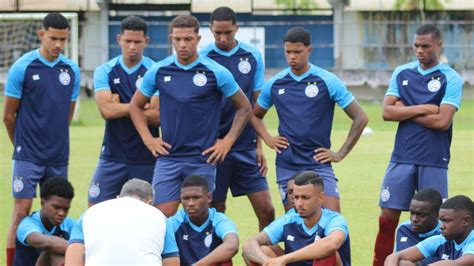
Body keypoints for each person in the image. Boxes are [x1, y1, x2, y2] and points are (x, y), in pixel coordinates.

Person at [130, 15, 251, 217]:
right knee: (159, 219)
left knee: (201, 219)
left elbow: (244, 107)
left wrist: (227, 141)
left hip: (201, 159)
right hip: (169, 158)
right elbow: (135, 106)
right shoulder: (159, 70)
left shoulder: (216, 71)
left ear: (198, 38)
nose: (182, 44)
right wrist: (148, 139)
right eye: (177, 39)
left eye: (188, 39)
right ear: (171, 38)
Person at [373, 24, 463, 265]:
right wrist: (424, 108)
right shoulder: (402, 73)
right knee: (387, 218)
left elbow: (443, 121)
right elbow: (386, 113)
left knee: (439, 220)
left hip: (434, 159)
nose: (420, 51)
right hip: (401, 157)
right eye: (416, 46)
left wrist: (404, 110)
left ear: (439, 45)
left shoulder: (450, 78)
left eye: (426, 46)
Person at [251, 27, 368, 213]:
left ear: (309, 50)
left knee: (333, 218)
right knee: (295, 222)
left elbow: (360, 117)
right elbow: (254, 114)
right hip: (287, 164)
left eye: (297, 52)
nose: (292, 57)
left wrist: (340, 153)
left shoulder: (327, 80)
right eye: (288, 52)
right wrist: (268, 138)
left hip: (317, 163)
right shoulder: (276, 83)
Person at [3, 12, 80, 266]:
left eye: (63, 40)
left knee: (56, 212)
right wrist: (22, 148)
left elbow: (65, 117)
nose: (58, 44)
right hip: (28, 156)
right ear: (42, 35)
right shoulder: (23, 68)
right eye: (54, 38)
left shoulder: (72, 70)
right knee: (22, 213)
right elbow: (8, 116)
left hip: (58, 155)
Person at [200, 6, 275, 230]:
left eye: (228, 33)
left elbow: (256, 105)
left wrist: (258, 146)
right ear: (210, 31)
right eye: (217, 34)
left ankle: (261, 258)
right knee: (217, 207)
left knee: (267, 209)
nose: (222, 39)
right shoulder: (203, 56)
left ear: (237, 29)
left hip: (245, 146)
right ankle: (218, 260)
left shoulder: (252, 55)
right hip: (215, 147)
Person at [87, 16, 159, 205]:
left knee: (150, 212)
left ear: (146, 41)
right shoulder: (105, 71)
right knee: (95, 206)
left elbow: (157, 116)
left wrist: (119, 104)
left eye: (137, 42)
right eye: (128, 41)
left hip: (146, 156)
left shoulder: (155, 70)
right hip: (113, 155)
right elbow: (106, 111)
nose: (132, 46)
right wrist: (141, 106)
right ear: (119, 39)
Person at [242, 171, 351, 265]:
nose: (298, 204)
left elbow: (331, 244)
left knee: (328, 254)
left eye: (305, 198)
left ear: (320, 198)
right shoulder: (290, 219)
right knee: (263, 250)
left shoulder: (334, 220)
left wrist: (283, 259)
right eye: (296, 197)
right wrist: (267, 262)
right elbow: (249, 244)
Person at [65, 179, 179, 265]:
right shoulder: (160, 217)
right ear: (149, 202)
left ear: (119, 197)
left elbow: (74, 254)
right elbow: (171, 260)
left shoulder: (89, 213)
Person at [167, 175, 239, 265]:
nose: (191, 203)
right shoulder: (174, 222)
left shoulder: (219, 220)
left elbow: (232, 245)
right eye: (186, 198)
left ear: (209, 197)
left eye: (196, 198)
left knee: (225, 262)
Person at [385, 195, 474, 265]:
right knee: (403, 264)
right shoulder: (440, 240)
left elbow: (458, 264)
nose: (441, 226)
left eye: (446, 221)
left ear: (466, 221)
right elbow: (394, 256)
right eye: (441, 220)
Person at [14, 177, 75, 266]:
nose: (62, 213)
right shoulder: (27, 225)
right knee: (52, 251)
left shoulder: (69, 224)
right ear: (43, 202)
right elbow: (46, 242)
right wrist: (81, 249)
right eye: (56, 207)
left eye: (66, 209)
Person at [394, 188, 442, 264]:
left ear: (437, 214)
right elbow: (395, 258)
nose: (414, 219)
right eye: (412, 213)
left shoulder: (445, 234)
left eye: (421, 215)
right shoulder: (403, 229)